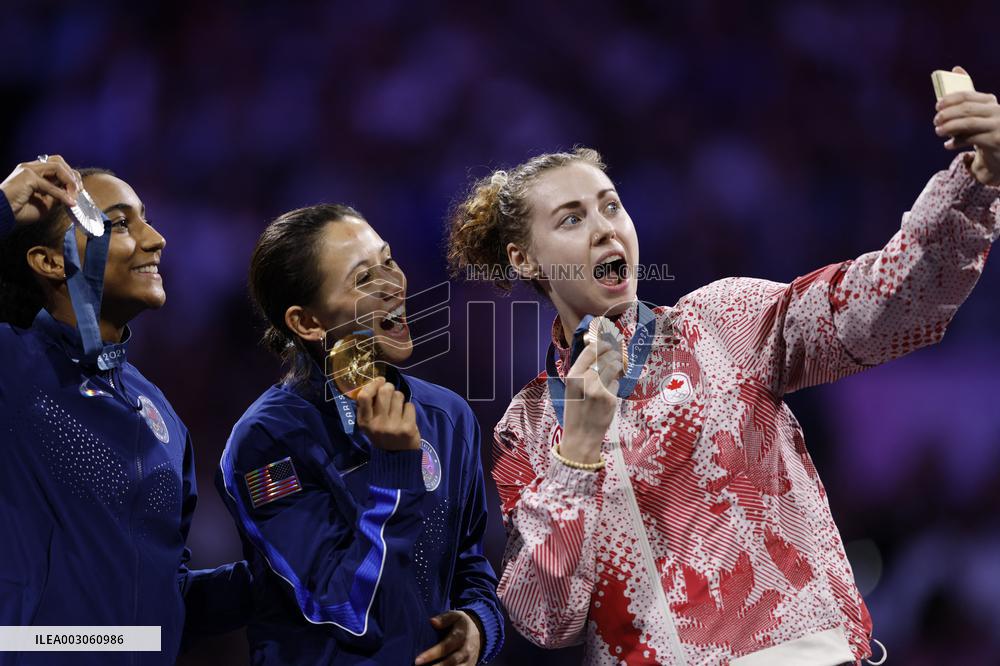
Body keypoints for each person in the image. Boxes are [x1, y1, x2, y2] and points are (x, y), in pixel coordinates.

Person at [445, 69, 1000, 665]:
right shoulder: (526, 428)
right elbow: (545, 618)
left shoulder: (722, 321)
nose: (606, 227)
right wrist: (577, 450)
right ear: (523, 257)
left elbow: (880, 302)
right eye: (572, 218)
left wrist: (976, 184)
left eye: (612, 206)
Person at [217, 204, 504, 664]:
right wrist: (395, 471)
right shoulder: (267, 440)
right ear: (307, 322)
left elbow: (468, 563)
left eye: (387, 261)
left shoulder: (447, 416)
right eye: (362, 279)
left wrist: (479, 625)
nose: (394, 285)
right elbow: (345, 607)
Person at [0, 156, 251, 665]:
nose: (156, 238)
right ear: (50, 262)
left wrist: (284, 577)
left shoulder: (161, 417)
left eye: (146, 218)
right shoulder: (12, 367)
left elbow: (165, 603)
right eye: (118, 224)